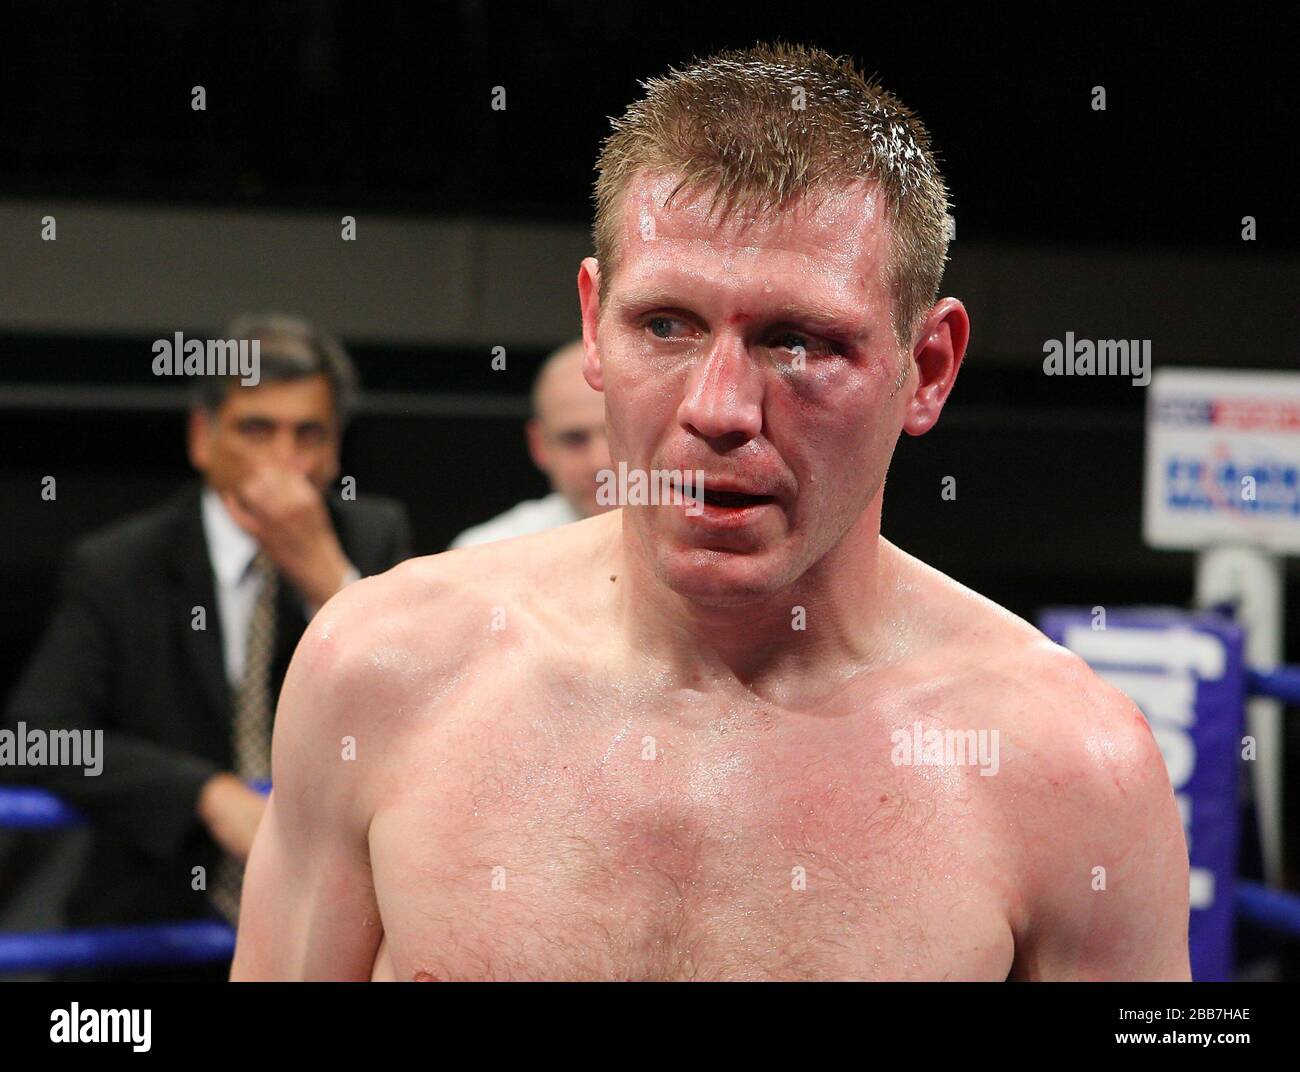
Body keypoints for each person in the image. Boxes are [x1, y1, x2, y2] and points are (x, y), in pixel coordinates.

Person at [232, 44, 1190, 981]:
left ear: (927, 368)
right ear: (592, 326)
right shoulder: (383, 671)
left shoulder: (1072, 771)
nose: (720, 409)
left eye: (799, 341)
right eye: (666, 326)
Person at [3, 313, 413, 980]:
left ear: (336, 448)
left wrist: (326, 578)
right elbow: (34, 735)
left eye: (308, 434)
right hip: (149, 922)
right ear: (204, 438)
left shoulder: (369, 539)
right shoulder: (120, 565)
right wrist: (204, 793)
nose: (286, 459)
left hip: (330, 928)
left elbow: (420, 719)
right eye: (258, 429)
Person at [449, 339, 612, 548]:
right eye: (574, 439)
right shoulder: (487, 553)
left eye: (618, 434)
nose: (600, 462)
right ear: (539, 445)